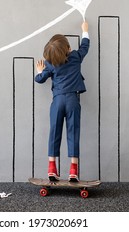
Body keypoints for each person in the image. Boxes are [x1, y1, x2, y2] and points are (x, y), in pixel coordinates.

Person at [35, 21, 90, 182]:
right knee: (73, 132)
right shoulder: (75, 57)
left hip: (57, 101)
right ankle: (73, 170)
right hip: (73, 101)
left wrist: (39, 71)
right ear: (67, 48)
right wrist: (85, 31)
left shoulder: (50, 64)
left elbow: (39, 79)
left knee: (54, 132)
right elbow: (85, 47)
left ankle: (52, 167)